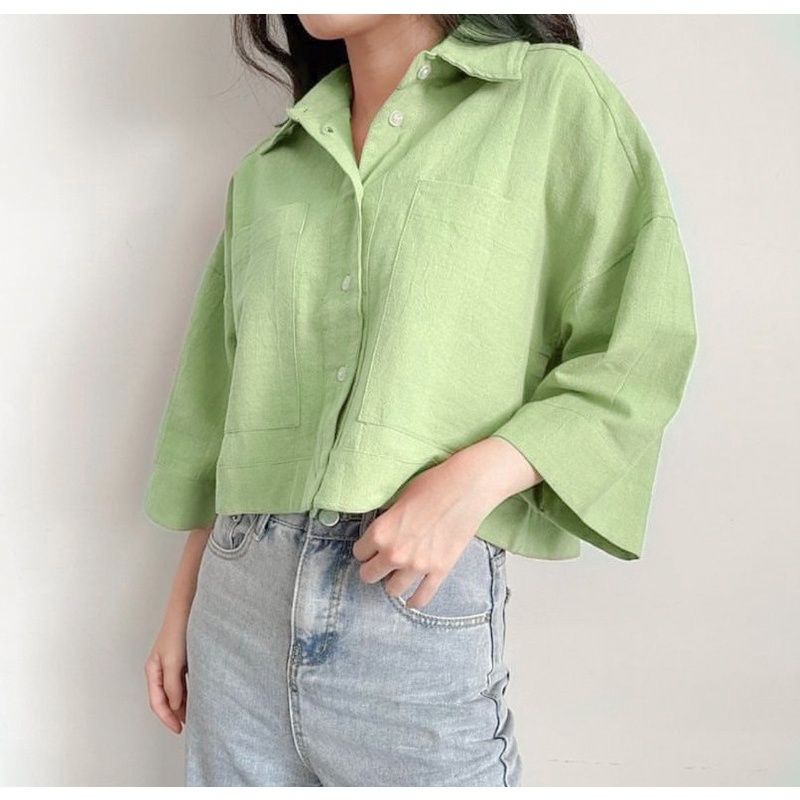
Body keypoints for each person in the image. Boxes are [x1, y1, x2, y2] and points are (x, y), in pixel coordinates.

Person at [143, 13, 698, 787]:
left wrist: (476, 478)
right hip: (235, 621)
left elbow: (642, 344)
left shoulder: (550, 97)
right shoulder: (273, 166)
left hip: (406, 602)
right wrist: (183, 600)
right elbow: (217, 402)